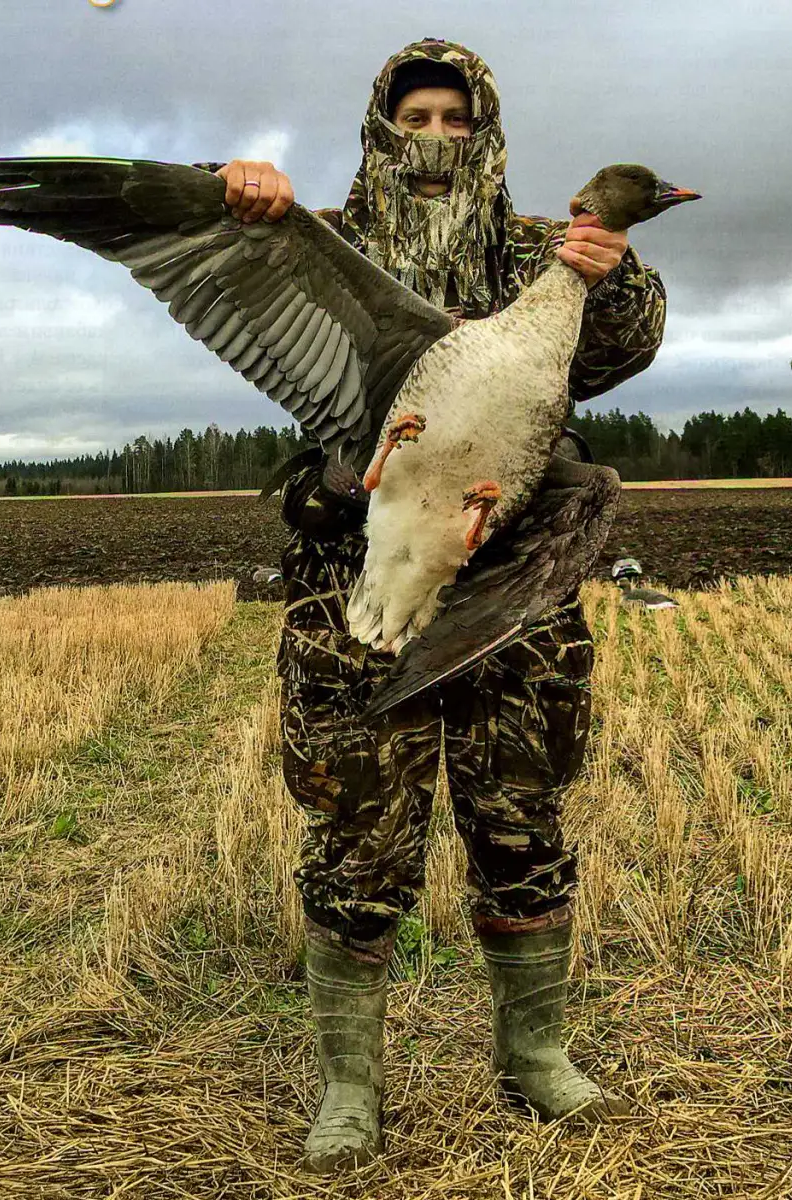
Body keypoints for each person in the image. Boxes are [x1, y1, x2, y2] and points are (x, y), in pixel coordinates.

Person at [212, 38, 668, 1174]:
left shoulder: (539, 251)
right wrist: (236, 202)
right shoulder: (322, 239)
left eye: (457, 122)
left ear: (485, 134)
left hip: (516, 587)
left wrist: (617, 275)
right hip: (354, 581)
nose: (436, 137)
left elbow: (628, 347)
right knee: (358, 835)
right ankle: (350, 1091)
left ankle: (536, 1057)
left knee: (523, 819)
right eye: (416, 115)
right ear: (382, 125)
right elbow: (220, 253)